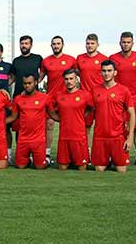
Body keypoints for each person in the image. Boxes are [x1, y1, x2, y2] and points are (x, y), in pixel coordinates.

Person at [109, 31, 136, 165]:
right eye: (123, 42)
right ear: (120, 43)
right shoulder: (113, 58)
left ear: (132, 43)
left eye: (128, 42)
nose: (126, 44)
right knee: (120, 128)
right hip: (119, 99)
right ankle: (121, 155)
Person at [91, 60, 135, 173]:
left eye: (109, 71)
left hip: (118, 137)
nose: (106, 73)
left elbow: (132, 114)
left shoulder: (124, 90)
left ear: (115, 73)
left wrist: (130, 138)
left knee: (121, 170)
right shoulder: (95, 90)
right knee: (99, 170)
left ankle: (112, 159)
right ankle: (107, 160)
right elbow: (88, 110)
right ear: (100, 73)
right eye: (104, 71)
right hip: (100, 137)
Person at [48, 69, 93, 171]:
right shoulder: (59, 95)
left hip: (79, 137)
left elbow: (91, 108)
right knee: (62, 168)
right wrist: (59, 119)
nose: (69, 81)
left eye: (71, 78)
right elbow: (50, 109)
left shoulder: (85, 95)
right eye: (66, 79)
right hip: (64, 137)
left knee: (82, 168)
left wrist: (81, 115)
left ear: (76, 79)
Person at [41, 36, 76, 164]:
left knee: (69, 126)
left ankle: (72, 154)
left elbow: (78, 75)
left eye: (58, 43)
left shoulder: (71, 60)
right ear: (51, 46)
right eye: (54, 44)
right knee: (49, 125)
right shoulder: (45, 61)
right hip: (51, 98)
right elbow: (40, 77)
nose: (56, 46)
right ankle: (47, 154)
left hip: (68, 98)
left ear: (63, 44)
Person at [6, 74, 50, 169]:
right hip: (23, 139)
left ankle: (46, 160)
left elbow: (53, 114)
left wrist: (67, 118)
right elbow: (13, 117)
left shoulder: (45, 98)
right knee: (20, 166)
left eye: (29, 83)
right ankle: (29, 159)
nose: (27, 86)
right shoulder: (18, 99)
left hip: (38, 139)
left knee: (40, 167)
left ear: (35, 82)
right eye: (25, 83)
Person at [75, 34, 108, 141]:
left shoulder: (104, 59)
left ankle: (102, 151)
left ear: (97, 44)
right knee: (86, 127)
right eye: (88, 43)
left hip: (100, 97)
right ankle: (87, 152)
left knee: (102, 126)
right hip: (85, 98)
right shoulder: (80, 58)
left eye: (92, 43)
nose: (90, 46)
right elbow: (77, 73)